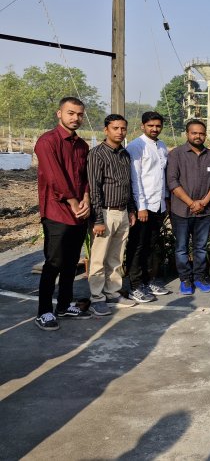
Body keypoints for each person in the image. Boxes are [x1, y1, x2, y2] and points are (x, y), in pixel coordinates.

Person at [33, 97, 92, 330]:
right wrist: (73, 201)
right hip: (57, 211)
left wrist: (86, 198)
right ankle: (44, 311)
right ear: (59, 113)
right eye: (70, 113)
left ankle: (64, 305)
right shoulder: (47, 142)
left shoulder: (81, 145)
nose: (75, 118)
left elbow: (84, 177)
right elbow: (54, 176)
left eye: (79, 114)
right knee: (54, 262)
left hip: (78, 211)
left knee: (70, 262)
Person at [87, 114, 136, 316]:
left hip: (122, 212)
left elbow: (128, 184)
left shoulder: (125, 154)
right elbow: (94, 189)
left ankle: (113, 292)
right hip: (105, 213)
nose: (120, 132)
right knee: (98, 259)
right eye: (115, 128)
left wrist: (131, 209)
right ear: (106, 130)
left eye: (123, 128)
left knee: (116, 257)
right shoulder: (97, 154)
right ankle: (96, 298)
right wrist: (98, 219)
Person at [166, 119, 210, 295]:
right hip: (181, 211)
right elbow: (172, 182)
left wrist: (203, 203)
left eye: (201, 133)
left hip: (204, 212)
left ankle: (199, 277)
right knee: (181, 247)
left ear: (205, 135)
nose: (198, 136)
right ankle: (185, 280)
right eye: (194, 133)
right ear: (187, 134)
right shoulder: (176, 154)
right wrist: (191, 203)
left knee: (201, 247)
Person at [124, 111, 170, 303]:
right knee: (137, 245)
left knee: (151, 245)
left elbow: (161, 176)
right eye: (150, 125)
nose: (154, 129)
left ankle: (147, 280)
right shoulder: (136, 146)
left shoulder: (161, 146)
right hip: (144, 206)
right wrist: (140, 207)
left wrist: (165, 199)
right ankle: (134, 286)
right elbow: (136, 179)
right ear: (143, 126)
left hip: (158, 205)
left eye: (158, 126)